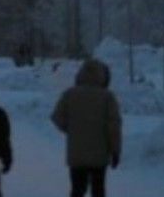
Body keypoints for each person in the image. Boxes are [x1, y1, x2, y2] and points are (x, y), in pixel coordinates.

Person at [51, 58, 122, 197]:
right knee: (98, 190)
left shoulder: (70, 94)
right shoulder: (107, 97)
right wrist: (115, 151)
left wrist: (72, 129)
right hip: (99, 155)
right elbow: (114, 127)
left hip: (76, 154)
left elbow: (56, 117)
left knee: (77, 190)